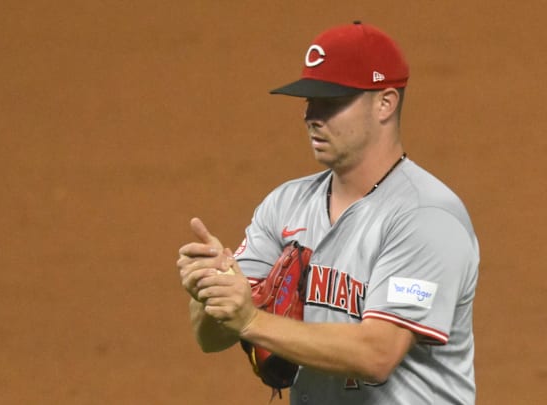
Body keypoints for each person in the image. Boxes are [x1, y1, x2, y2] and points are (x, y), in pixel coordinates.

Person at [177, 21, 480, 405]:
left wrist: (252, 322)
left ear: (385, 102)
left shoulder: (426, 216)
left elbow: (377, 353)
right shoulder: (285, 205)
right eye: (309, 100)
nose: (311, 116)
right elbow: (211, 338)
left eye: (331, 102)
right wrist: (211, 291)